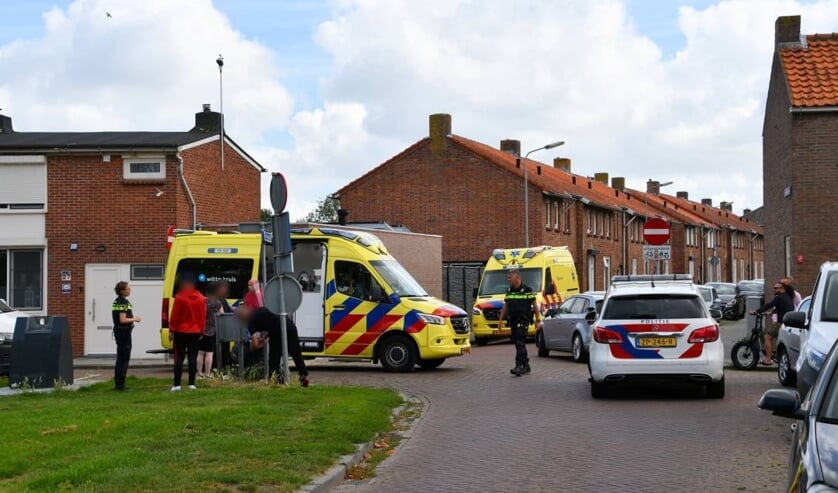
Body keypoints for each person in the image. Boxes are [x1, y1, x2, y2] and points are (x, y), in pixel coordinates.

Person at [235, 305, 309, 387]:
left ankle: (275, 379)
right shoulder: (259, 311)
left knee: (274, 357)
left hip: (277, 332)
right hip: (289, 325)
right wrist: (265, 337)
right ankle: (303, 376)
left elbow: (255, 344)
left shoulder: (251, 322)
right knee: (296, 353)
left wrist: (251, 349)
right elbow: (273, 321)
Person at [497, 269, 540, 376]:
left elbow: (535, 306)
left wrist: (537, 321)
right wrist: (500, 320)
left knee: (520, 342)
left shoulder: (527, 290)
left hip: (523, 320)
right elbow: (506, 306)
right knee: (518, 343)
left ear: (517, 277)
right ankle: (526, 365)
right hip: (513, 320)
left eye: (510, 277)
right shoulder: (509, 291)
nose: (508, 279)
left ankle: (519, 366)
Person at [169, 273, 207, 391]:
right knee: (192, 358)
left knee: (179, 358)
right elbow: (203, 316)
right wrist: (201, 330)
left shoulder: (180, 297)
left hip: (181, 331)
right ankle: (191, 383)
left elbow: (175, 315)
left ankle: (177, 384)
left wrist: (172, 330)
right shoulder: (201, 298)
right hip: (195, 332)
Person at [751, 281, 795, 366]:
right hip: (787, 323)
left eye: (776, 288)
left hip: (781, 323)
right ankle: (775, 356)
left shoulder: (779, 297)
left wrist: (756, 311)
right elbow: (781, 307)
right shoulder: (787, 297)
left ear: (781, 289)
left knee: (767, 337)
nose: (774, 290)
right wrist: (770, 313)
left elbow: (769, 305)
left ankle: (768, 359)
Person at [112, 281, 141, 391]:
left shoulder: (117, 302)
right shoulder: (123, 302)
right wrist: (135, 319)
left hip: (120, 332)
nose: (129, 290)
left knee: (121, 357)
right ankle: (120, 385)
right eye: (127, 289)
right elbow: (122, 319)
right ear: (122, 291)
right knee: (124, 358)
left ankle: (119, 383)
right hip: (123, 332)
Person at [198, 282, 224, 378]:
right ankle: (207, 373)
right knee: (209, 354)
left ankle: (199, 373)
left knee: (200, 353)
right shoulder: (218, 303)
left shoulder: (203, 301)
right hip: (212, 331)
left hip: (202, 330)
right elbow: (222, 314)